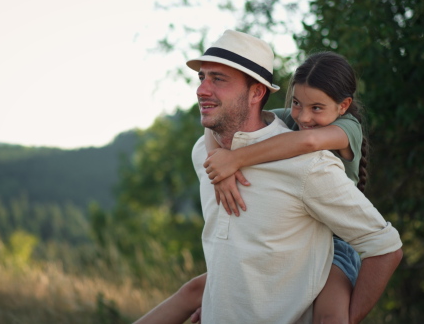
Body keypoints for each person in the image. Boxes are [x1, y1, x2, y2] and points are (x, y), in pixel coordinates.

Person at [135, 30, 403, 324]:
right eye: (202, 78)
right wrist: (220, 165)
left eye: (219, 79)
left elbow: (384, 247)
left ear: (256, 93)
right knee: (194, 289)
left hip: (338, 246)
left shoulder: (310, 163)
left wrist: (349, 319)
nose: (201, 90)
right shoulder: (203, 151)